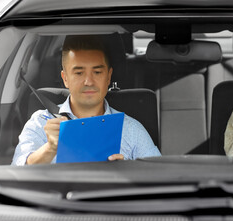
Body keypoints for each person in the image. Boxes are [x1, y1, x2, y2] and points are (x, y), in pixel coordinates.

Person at [12, 35, 161, 165]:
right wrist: (49, 148)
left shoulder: (131, 130)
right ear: (65, 79)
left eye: (97, 72)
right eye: (79, 73)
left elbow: (159, 179)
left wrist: (127, 171)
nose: (89, 81)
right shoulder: (41, 122)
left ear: (108, 77)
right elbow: (16, 175)